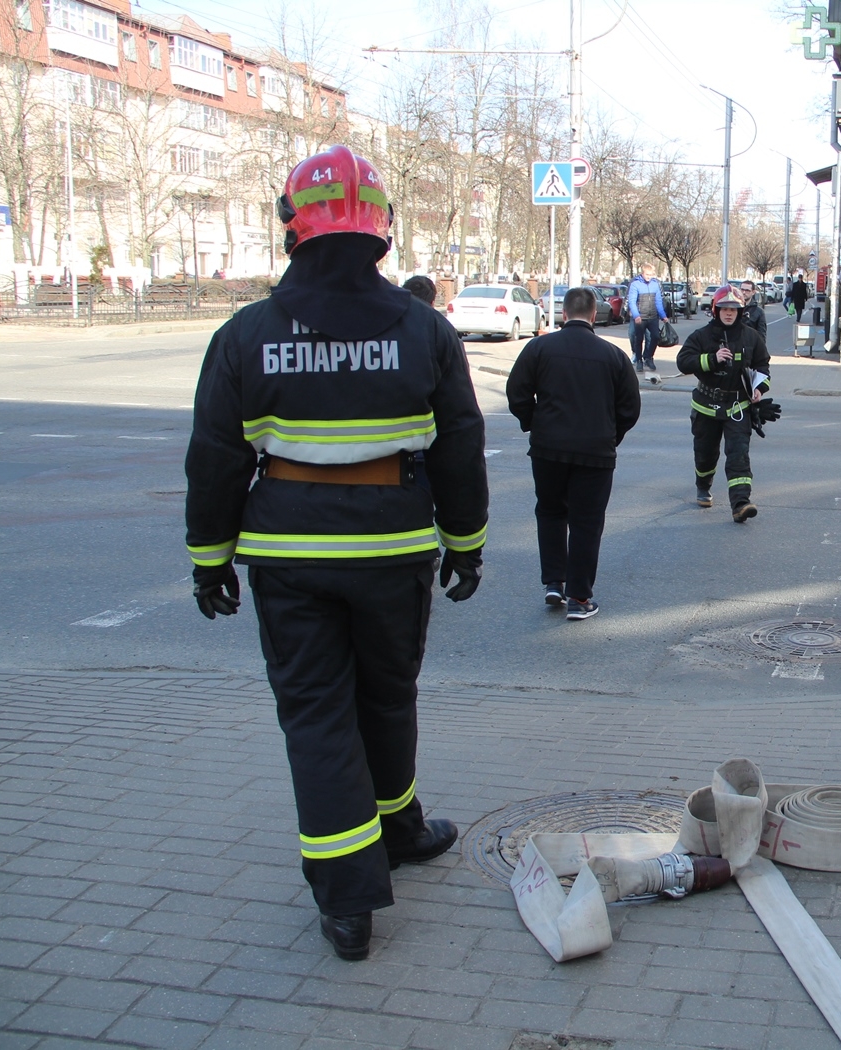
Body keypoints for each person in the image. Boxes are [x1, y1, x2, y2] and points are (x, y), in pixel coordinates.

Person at [184, 145, 488, 962]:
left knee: (316, 714)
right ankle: (401, 830)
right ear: (379, 229)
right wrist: (467, 544)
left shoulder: (245, 333)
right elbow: (460, 444)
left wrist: (209, 558)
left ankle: (349, 901)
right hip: (394, 550)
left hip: (286, 553)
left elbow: (216, 457)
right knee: (387, 698)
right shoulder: (424, 329)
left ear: (293, 225)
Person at [505, 286, 641, 621]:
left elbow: (517, 392)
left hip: (548, 448)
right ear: (595, 315)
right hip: (595, 451)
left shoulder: (538, 348)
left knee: (550, 512)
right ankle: (579, 597)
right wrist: (612, 435)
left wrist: (532, 423)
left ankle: (554, 581)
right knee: (586, 522)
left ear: (564, 314)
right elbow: (630, 407)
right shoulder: (613, 356)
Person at [678, 286, 772, 522]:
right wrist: (712, 359)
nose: (729, 313)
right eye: (724, 309)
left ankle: (740, 504)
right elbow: (683, 361)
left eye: (733, 309)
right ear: (716, 310)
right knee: (705, 455)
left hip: (738, 407)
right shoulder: (701, 335)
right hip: (706, 405)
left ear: (740, 312)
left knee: (739, 455)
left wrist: (759, 389)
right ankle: (703, 485)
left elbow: (763, 367)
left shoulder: (752, 337)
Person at [627, 264, 665, 372]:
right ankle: (639, 360)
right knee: (638, 339)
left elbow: (658, 301)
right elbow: (632, 301)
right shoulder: (635, 284)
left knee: (656, 337)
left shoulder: (655, 284)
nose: (649, 277)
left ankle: (648, 357)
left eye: (651, 274)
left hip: (653, 316)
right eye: (647, 274)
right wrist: (636, 315)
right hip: (641, 317)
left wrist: (663, 316)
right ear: (642, 273)